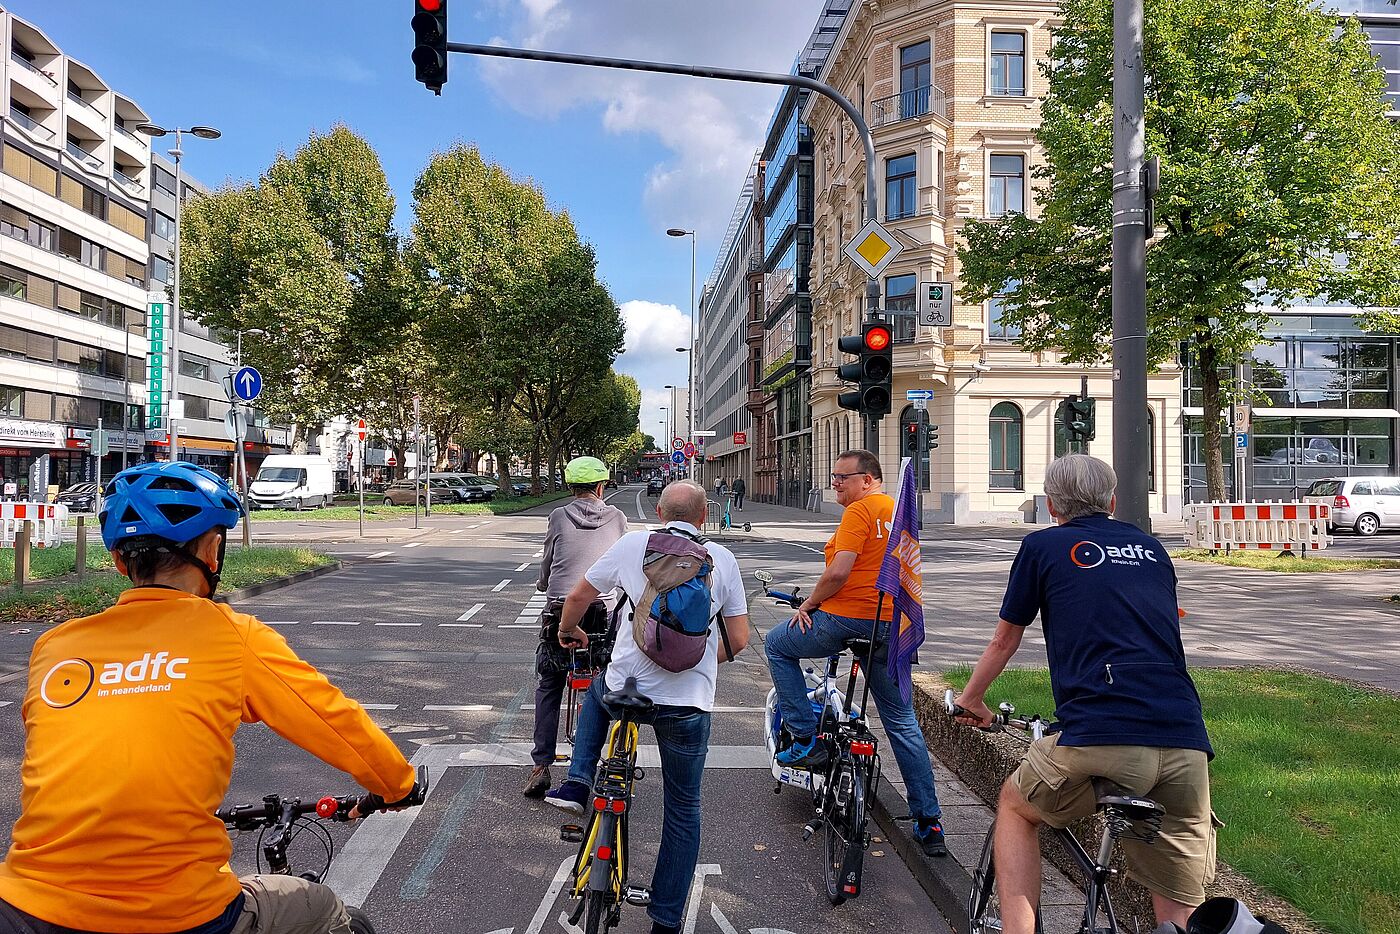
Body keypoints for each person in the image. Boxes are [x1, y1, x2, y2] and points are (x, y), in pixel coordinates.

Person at [0, 461, 420, 934]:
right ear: (213, 551)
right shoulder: (232, 636)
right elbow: (333, 721)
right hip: (176, 913)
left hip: (25, 906)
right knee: (323, 907)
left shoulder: (55, 646)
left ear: (120, 562)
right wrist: (397, 785)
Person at [952, 454, 1215, 934]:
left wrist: (971, 699)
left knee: (1015, 806)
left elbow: (1004, 639)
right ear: (1112, 501)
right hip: (1185, 739)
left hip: (1100, 733)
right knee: (1178, 913)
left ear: (1052, 505)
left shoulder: (1044, 546)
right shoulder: (1152, 549)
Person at [543, 481, 750, 934]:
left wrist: (568, 630)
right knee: (682, 808)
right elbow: (739, 640)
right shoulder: (723, 560)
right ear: (704, 516)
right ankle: (666, 921)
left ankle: (578, 783)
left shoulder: (634, 544)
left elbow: (579, 597)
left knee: (599, 689)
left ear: (659, 512)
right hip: (688, 704)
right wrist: (695, 662)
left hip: (627, 691)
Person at [764, 448, 947, 857]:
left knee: (777, 645)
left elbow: (839, 571)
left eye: (842, 477)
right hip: (890, 627)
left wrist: (809, 604)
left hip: (845, 619)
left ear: (868, 479)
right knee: (901, 722)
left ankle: (806, 737)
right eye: (833, 475)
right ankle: (929, 822)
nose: (835, 483)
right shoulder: (900, 512)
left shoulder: (859, 512)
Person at [525, 455, 629, 797]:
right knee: (604, 684)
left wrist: (544, 584)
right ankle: (602, 761)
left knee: (549, 684)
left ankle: (541, 765)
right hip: (601, 611)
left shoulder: (557, 516)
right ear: (601, 486)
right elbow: (624, 565)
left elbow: (549, 558)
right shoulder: (617, 517)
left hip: (560, 611)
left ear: (571, 487)